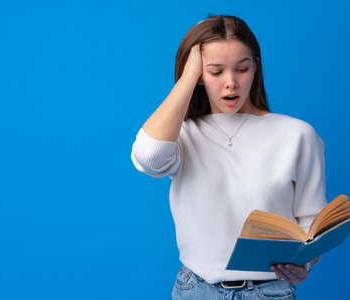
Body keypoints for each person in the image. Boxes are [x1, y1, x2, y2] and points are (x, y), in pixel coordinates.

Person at [130, 14, 324, 299]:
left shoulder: (297, 134)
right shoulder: (182, 135)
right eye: (215, 71)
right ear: (198, 75)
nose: (230, 83)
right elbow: (148, 157)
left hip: (269, 292)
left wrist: (304, 262)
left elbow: (312, 223)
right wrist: (188, 76)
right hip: (195, 290)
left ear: (255, 68)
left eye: (242, 69)